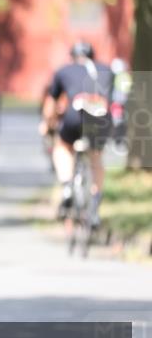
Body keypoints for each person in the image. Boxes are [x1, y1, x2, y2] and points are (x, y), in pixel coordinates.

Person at [39, 41, 114, 225]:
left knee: (62, 147)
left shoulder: (63, 71)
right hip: (100, 116)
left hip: (75, 115)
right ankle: (94, 206)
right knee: (96, 158)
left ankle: (66, 187)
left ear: (72, 57)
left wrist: (47, 124)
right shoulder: (107, 70)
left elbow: (51, 105)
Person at [110, 57, 132, 145]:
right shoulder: (124, 76)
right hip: (119, 102)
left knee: (118, 121)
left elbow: (123, 91)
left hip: (118, 102)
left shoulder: (122, 76)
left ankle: (118, 140)